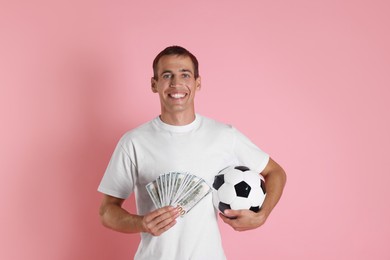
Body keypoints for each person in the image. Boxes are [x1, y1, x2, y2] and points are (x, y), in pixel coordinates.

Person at [98, 46, 286, 260]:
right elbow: (107, 212)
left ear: (197, 83)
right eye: (167, 75)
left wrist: (262, 215)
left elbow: (276, 172)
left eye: (185, 75)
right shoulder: (134, 142)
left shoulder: (224, 136)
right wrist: (140, 223)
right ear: (154, 84)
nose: (176, 84)